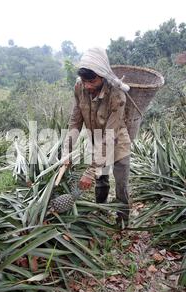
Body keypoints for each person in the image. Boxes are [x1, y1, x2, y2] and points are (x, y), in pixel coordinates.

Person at [62, 47, 132, 228]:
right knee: (101, 180)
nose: (88, 86)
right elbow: (75, 121)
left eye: (92, 81)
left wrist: (89, 171)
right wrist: (66, 151)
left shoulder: (117, 95)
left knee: (121, 185)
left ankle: (122, 222)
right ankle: (100, 212)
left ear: (102, 75)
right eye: (85, 81)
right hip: (97, 141)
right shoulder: (80, 87)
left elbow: (110, 137)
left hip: (117, 142)